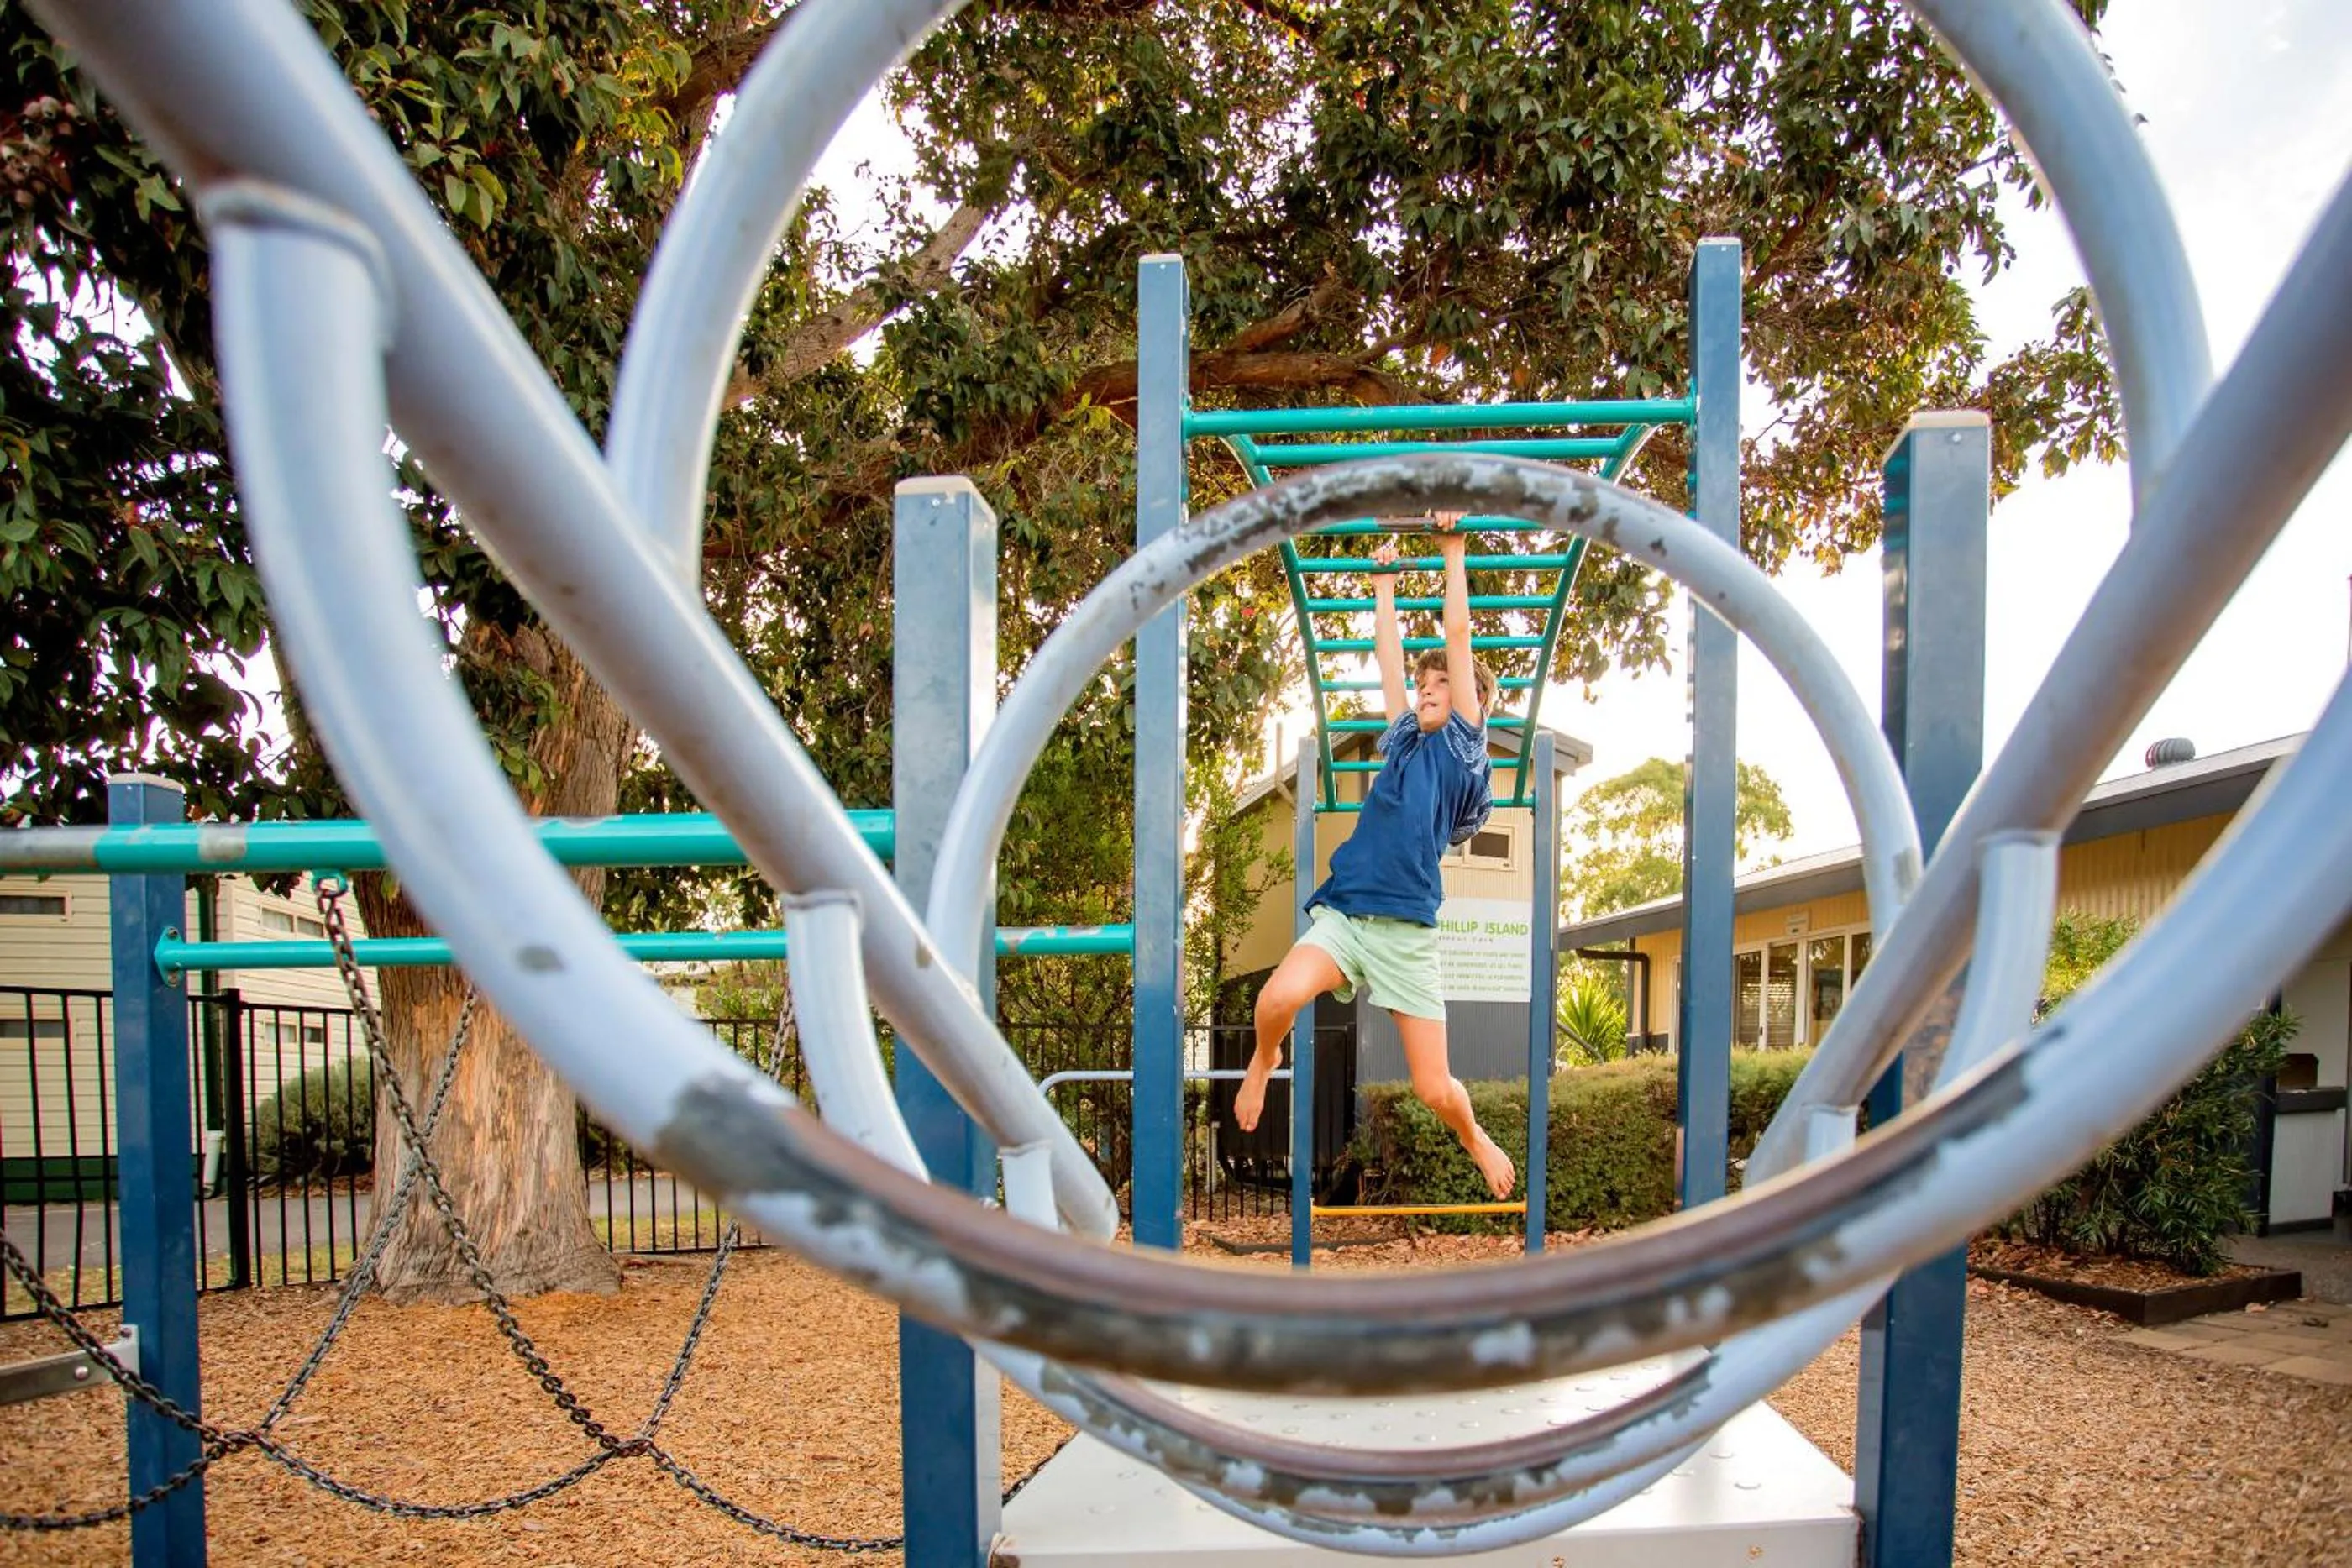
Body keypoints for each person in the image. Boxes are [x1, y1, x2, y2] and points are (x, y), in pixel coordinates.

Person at [1233, 511, 1515, 1201]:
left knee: (1433, 1087)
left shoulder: (1462, 747)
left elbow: (1457, 636)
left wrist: (1452, 551)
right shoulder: (1407, 737)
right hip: (1349, 913)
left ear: (1471, 701)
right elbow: (1392, 665)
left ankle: (1474, 1136)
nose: (1427, 689)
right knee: (1276, 997)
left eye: (1442, 685)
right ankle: (1266, 1055)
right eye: (1426, 686)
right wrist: (1384, 585)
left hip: (1407, 934)